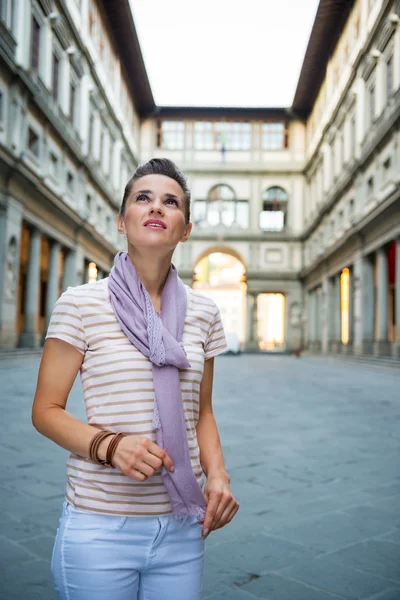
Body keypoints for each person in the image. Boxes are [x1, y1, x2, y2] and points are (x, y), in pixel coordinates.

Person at [32, 158, 239, 600]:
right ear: (122, 220)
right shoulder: (81, 303)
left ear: (185, 229)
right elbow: (45, 412)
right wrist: (111, 446)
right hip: (99, 527)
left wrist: (218, 476)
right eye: (143, 198)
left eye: (171, 201)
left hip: (183, 528)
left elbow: (201, 413)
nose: (156, 207)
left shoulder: (204, 313)